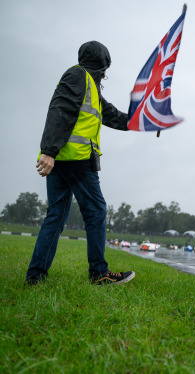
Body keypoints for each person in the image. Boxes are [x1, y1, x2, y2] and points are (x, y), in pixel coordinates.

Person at [26, 41, 135, 286]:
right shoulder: (78, 75)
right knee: (96, 212)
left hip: (63, 160)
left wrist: (140, 122)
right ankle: (99, 273)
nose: (107, 73)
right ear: (101, 64)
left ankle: (35, 277)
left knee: (55, 216)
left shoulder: (91, 88)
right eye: (106, 67)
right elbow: (59, 110)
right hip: (76, 159)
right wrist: (48, 150)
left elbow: (112, 115)